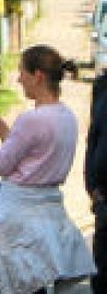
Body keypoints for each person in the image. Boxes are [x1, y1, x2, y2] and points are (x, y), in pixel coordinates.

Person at [0, 45, 94, 293]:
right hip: (49, 209)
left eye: (22, 73)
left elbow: (0, 163)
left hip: (22, 214)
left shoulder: (33, 119)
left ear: (37, 75)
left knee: (24, 283)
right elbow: (20, 149)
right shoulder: (66, 115)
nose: (18, 79)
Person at [89, 67, 107, 294]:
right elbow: (93, 136)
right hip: (104, 199)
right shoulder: (102, 85)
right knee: (102, 277)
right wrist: (91, 184)